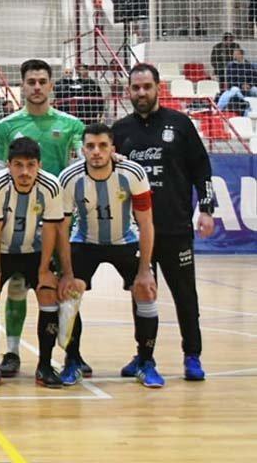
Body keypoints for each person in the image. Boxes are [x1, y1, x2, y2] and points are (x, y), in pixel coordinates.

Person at [112, 63, 215, 381]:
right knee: (142, 294)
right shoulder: (120, 131)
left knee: (185, 295)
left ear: (158, 88)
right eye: (136, 88)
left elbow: (202, 168)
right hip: (136, 231)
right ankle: (144, 355)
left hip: (175, 228)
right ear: (128, 91)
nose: (141, 93)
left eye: (147, 87)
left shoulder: (180, 124)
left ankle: (192, 355)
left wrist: (207, 208)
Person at [0, 59, 85, 379]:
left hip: (59, 219)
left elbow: (85, 160)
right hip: (20, 222)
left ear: (51, 85)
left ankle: (73, 355)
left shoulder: (71, 125)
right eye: (31, 82)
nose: (37, 87)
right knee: (17, 286)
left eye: (42, 81)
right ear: (22, 86)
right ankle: (12, 352)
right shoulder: (7, 126)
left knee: (65, 287)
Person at [58, 123, 162, 387]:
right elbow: (62, 227)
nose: (96, 151)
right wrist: (67, 273)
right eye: (90, 146)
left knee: (145, 290)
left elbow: (146, 223)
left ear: (112, 149)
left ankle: (145, 360)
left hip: (125, 239)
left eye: (103, 146)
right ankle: (73, 360)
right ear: (82, 150)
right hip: (85, 240)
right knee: (69, 291)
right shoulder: (69, 178)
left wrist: (145, 270)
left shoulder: (132, 172)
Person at [0, 137, 66, 388]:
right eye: (18, 165)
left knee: (48, 293)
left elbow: (51, 230)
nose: (25, 172)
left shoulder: (51, 185)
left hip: (33, 250)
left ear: (39, 165)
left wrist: (44, 270)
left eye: (31, 165)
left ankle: (45, 367)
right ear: (9, 165)